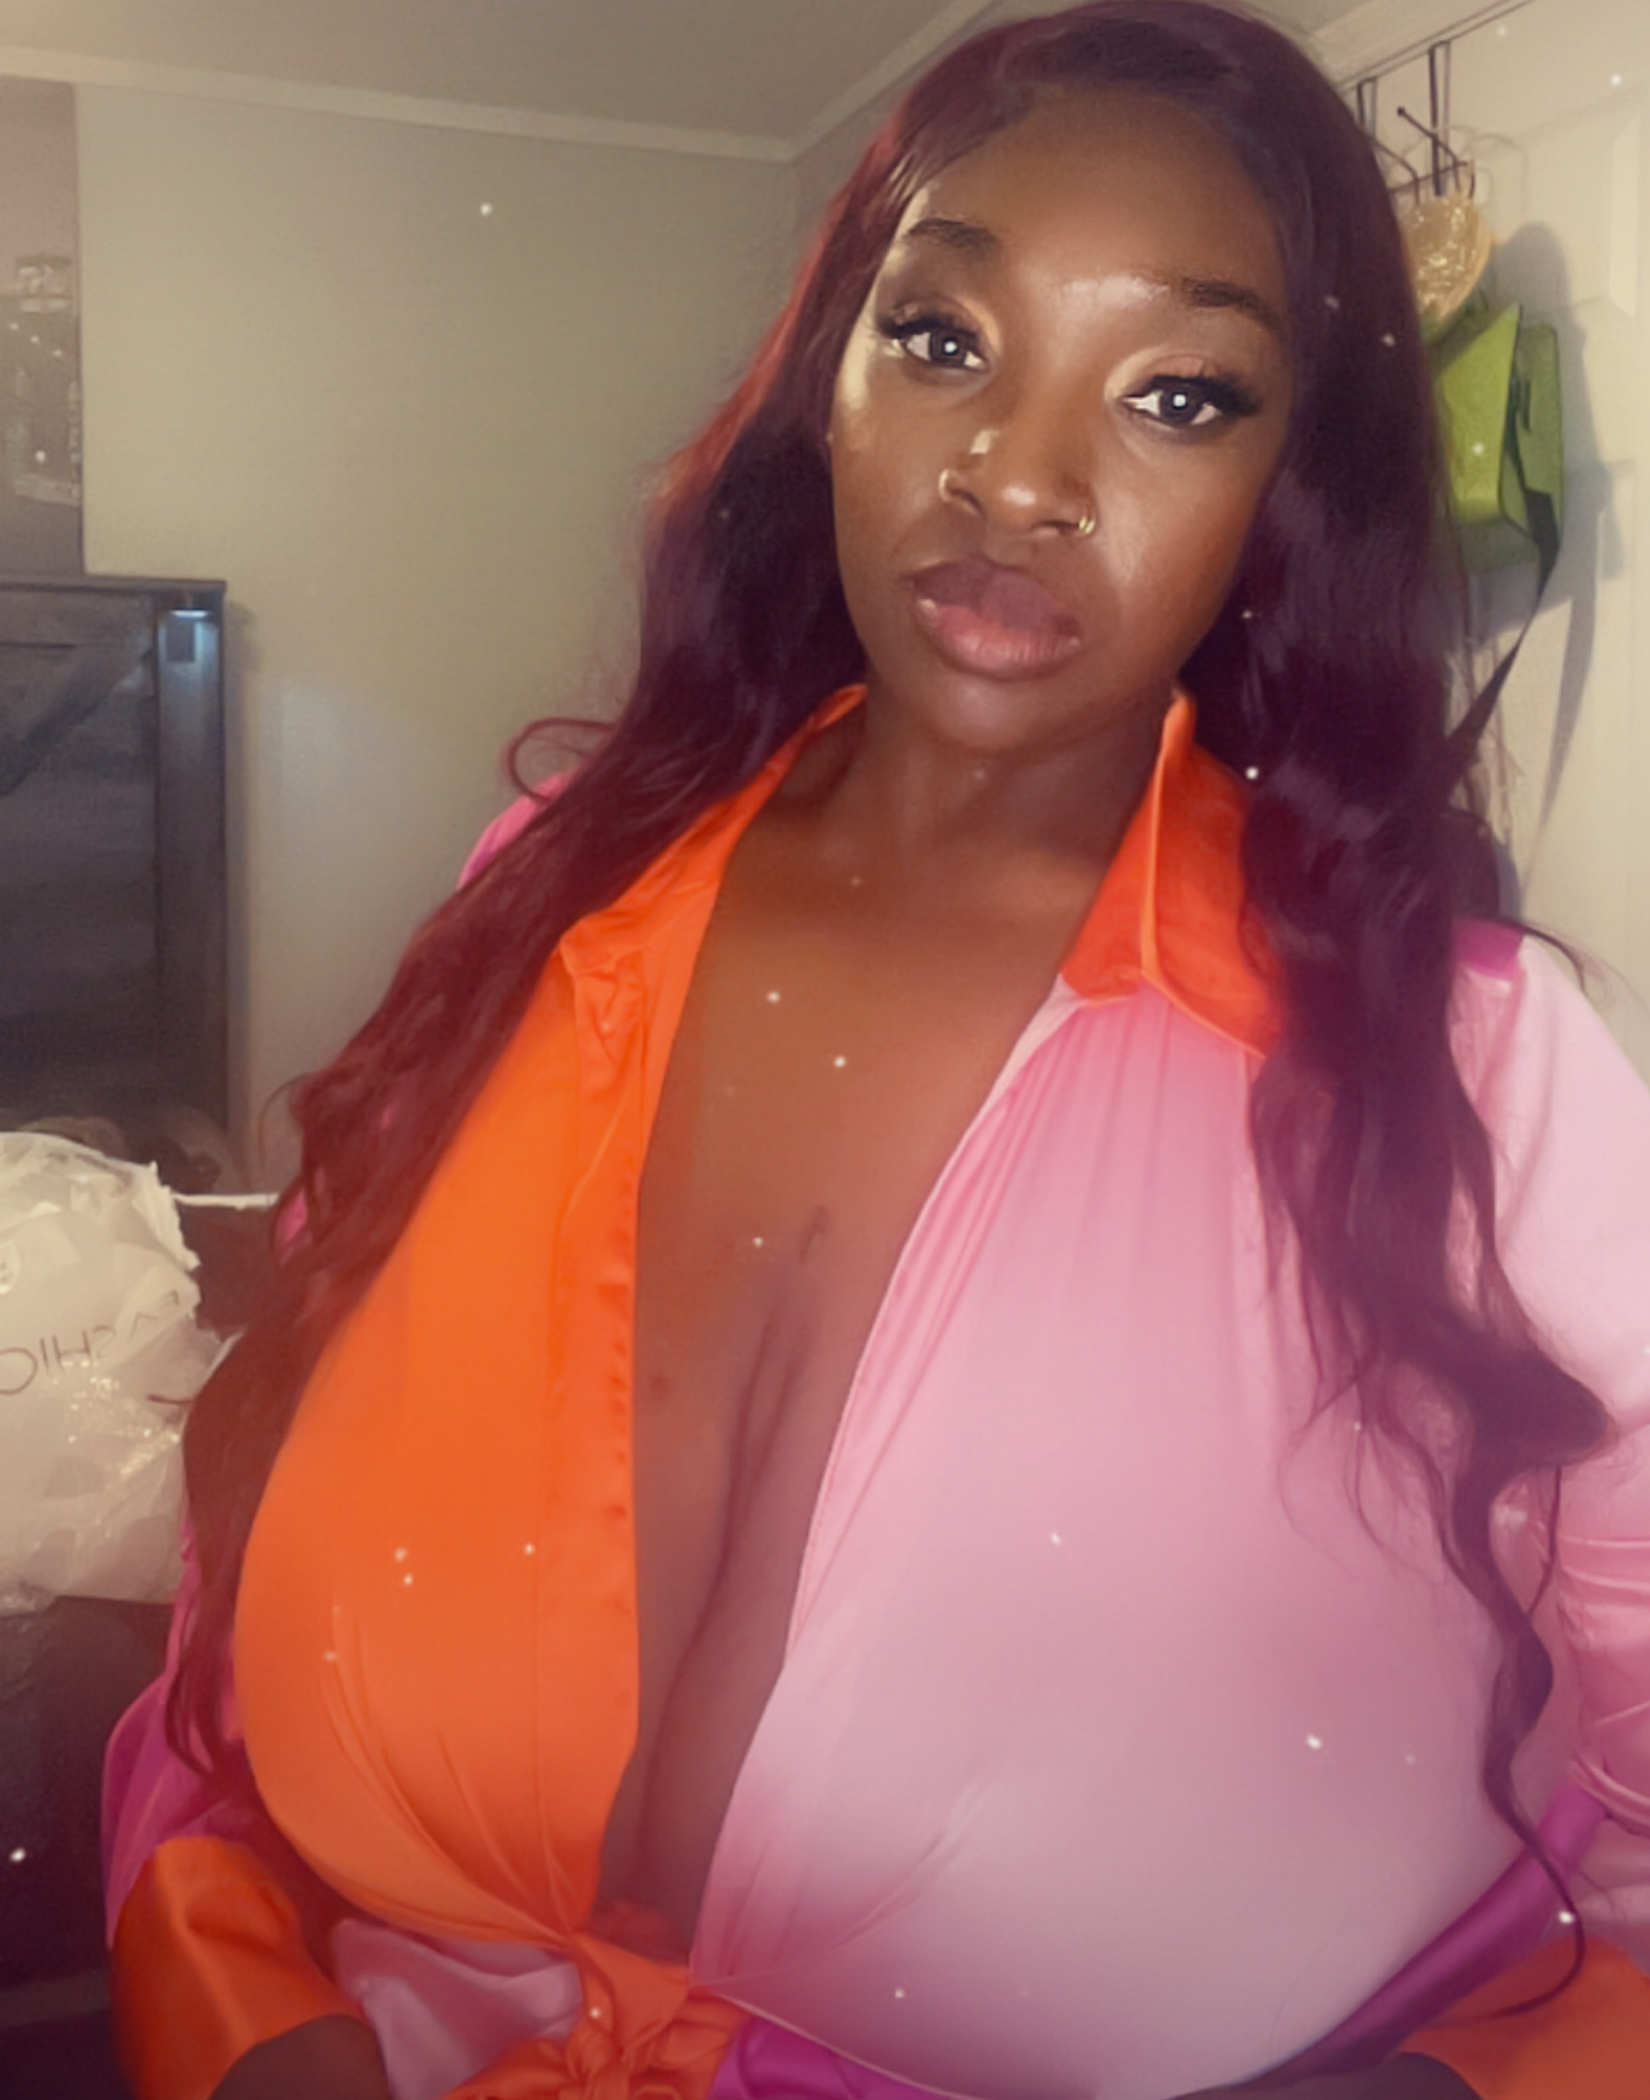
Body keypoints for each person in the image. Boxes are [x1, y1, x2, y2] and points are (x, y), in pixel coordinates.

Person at [102, 5, 1650, 2098]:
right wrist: (245, 2005)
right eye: (941, 338)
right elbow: (250, 1545)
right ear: (824, 383)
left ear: (1286, 490)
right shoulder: (549, 900)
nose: (1017, 474)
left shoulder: (1477, 1079)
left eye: (1179, 393)